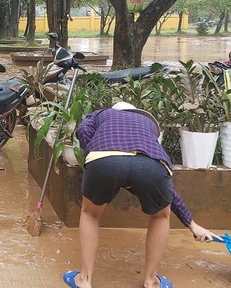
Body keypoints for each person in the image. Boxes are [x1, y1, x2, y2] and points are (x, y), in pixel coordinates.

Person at [63, 101, 221, 288]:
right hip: (151, 163)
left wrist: (97, 157)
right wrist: (192, 224)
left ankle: (85, 280)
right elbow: (168, 192)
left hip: (104, 158)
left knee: (90, 213)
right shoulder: (146, 125)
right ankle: (151, 281)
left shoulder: (102, 114)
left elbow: (83, 129)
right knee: (161, 216)